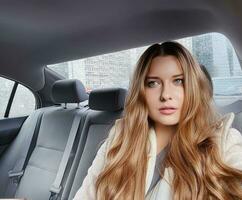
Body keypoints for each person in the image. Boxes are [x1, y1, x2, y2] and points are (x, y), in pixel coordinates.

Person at [74, 42, 242, 200]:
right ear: (141, 92)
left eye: (178, 81)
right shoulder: (118, 140)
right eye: (153, 83)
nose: (165, 94)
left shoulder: (222, 141)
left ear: (192, 87)